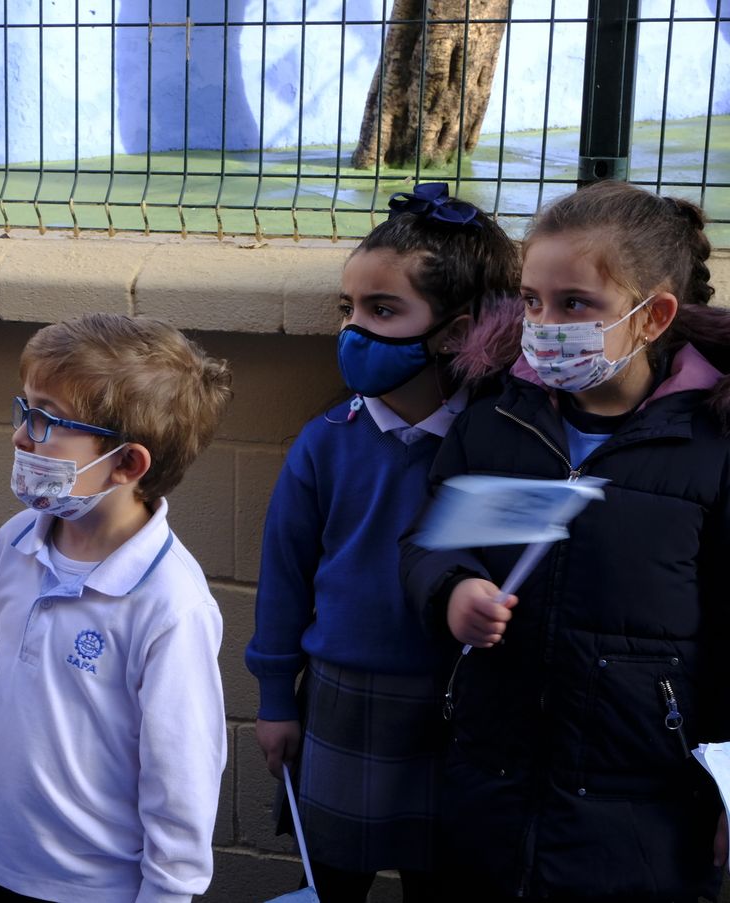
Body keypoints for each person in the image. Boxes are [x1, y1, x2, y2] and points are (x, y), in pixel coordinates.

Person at [403, 180, 730, 901]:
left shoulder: (711, 446)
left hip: (642, 818)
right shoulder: (496, 422)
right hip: (488, 798)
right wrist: (454, 590)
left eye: (576, 304)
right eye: (530, 300)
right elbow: (431, 541)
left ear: (654, 317)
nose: (544, 324)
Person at [0, 313, 231, 903]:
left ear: (127, 465)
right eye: (24, 409)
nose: (19, 435)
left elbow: (183, 779)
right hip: (6, 863)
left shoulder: (171, 605)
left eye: (45, 420)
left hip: (101, 890)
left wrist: (167, 895)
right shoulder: (18, 538)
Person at [245, 184, 519, 901]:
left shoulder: (495, 443)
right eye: (349, 309)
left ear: (457, 331)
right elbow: (284, 578)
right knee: (332, 880)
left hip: (452, 703)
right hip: (338, 698)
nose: (354, 329)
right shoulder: (324, 445)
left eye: (384, 310)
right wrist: (276, 699)